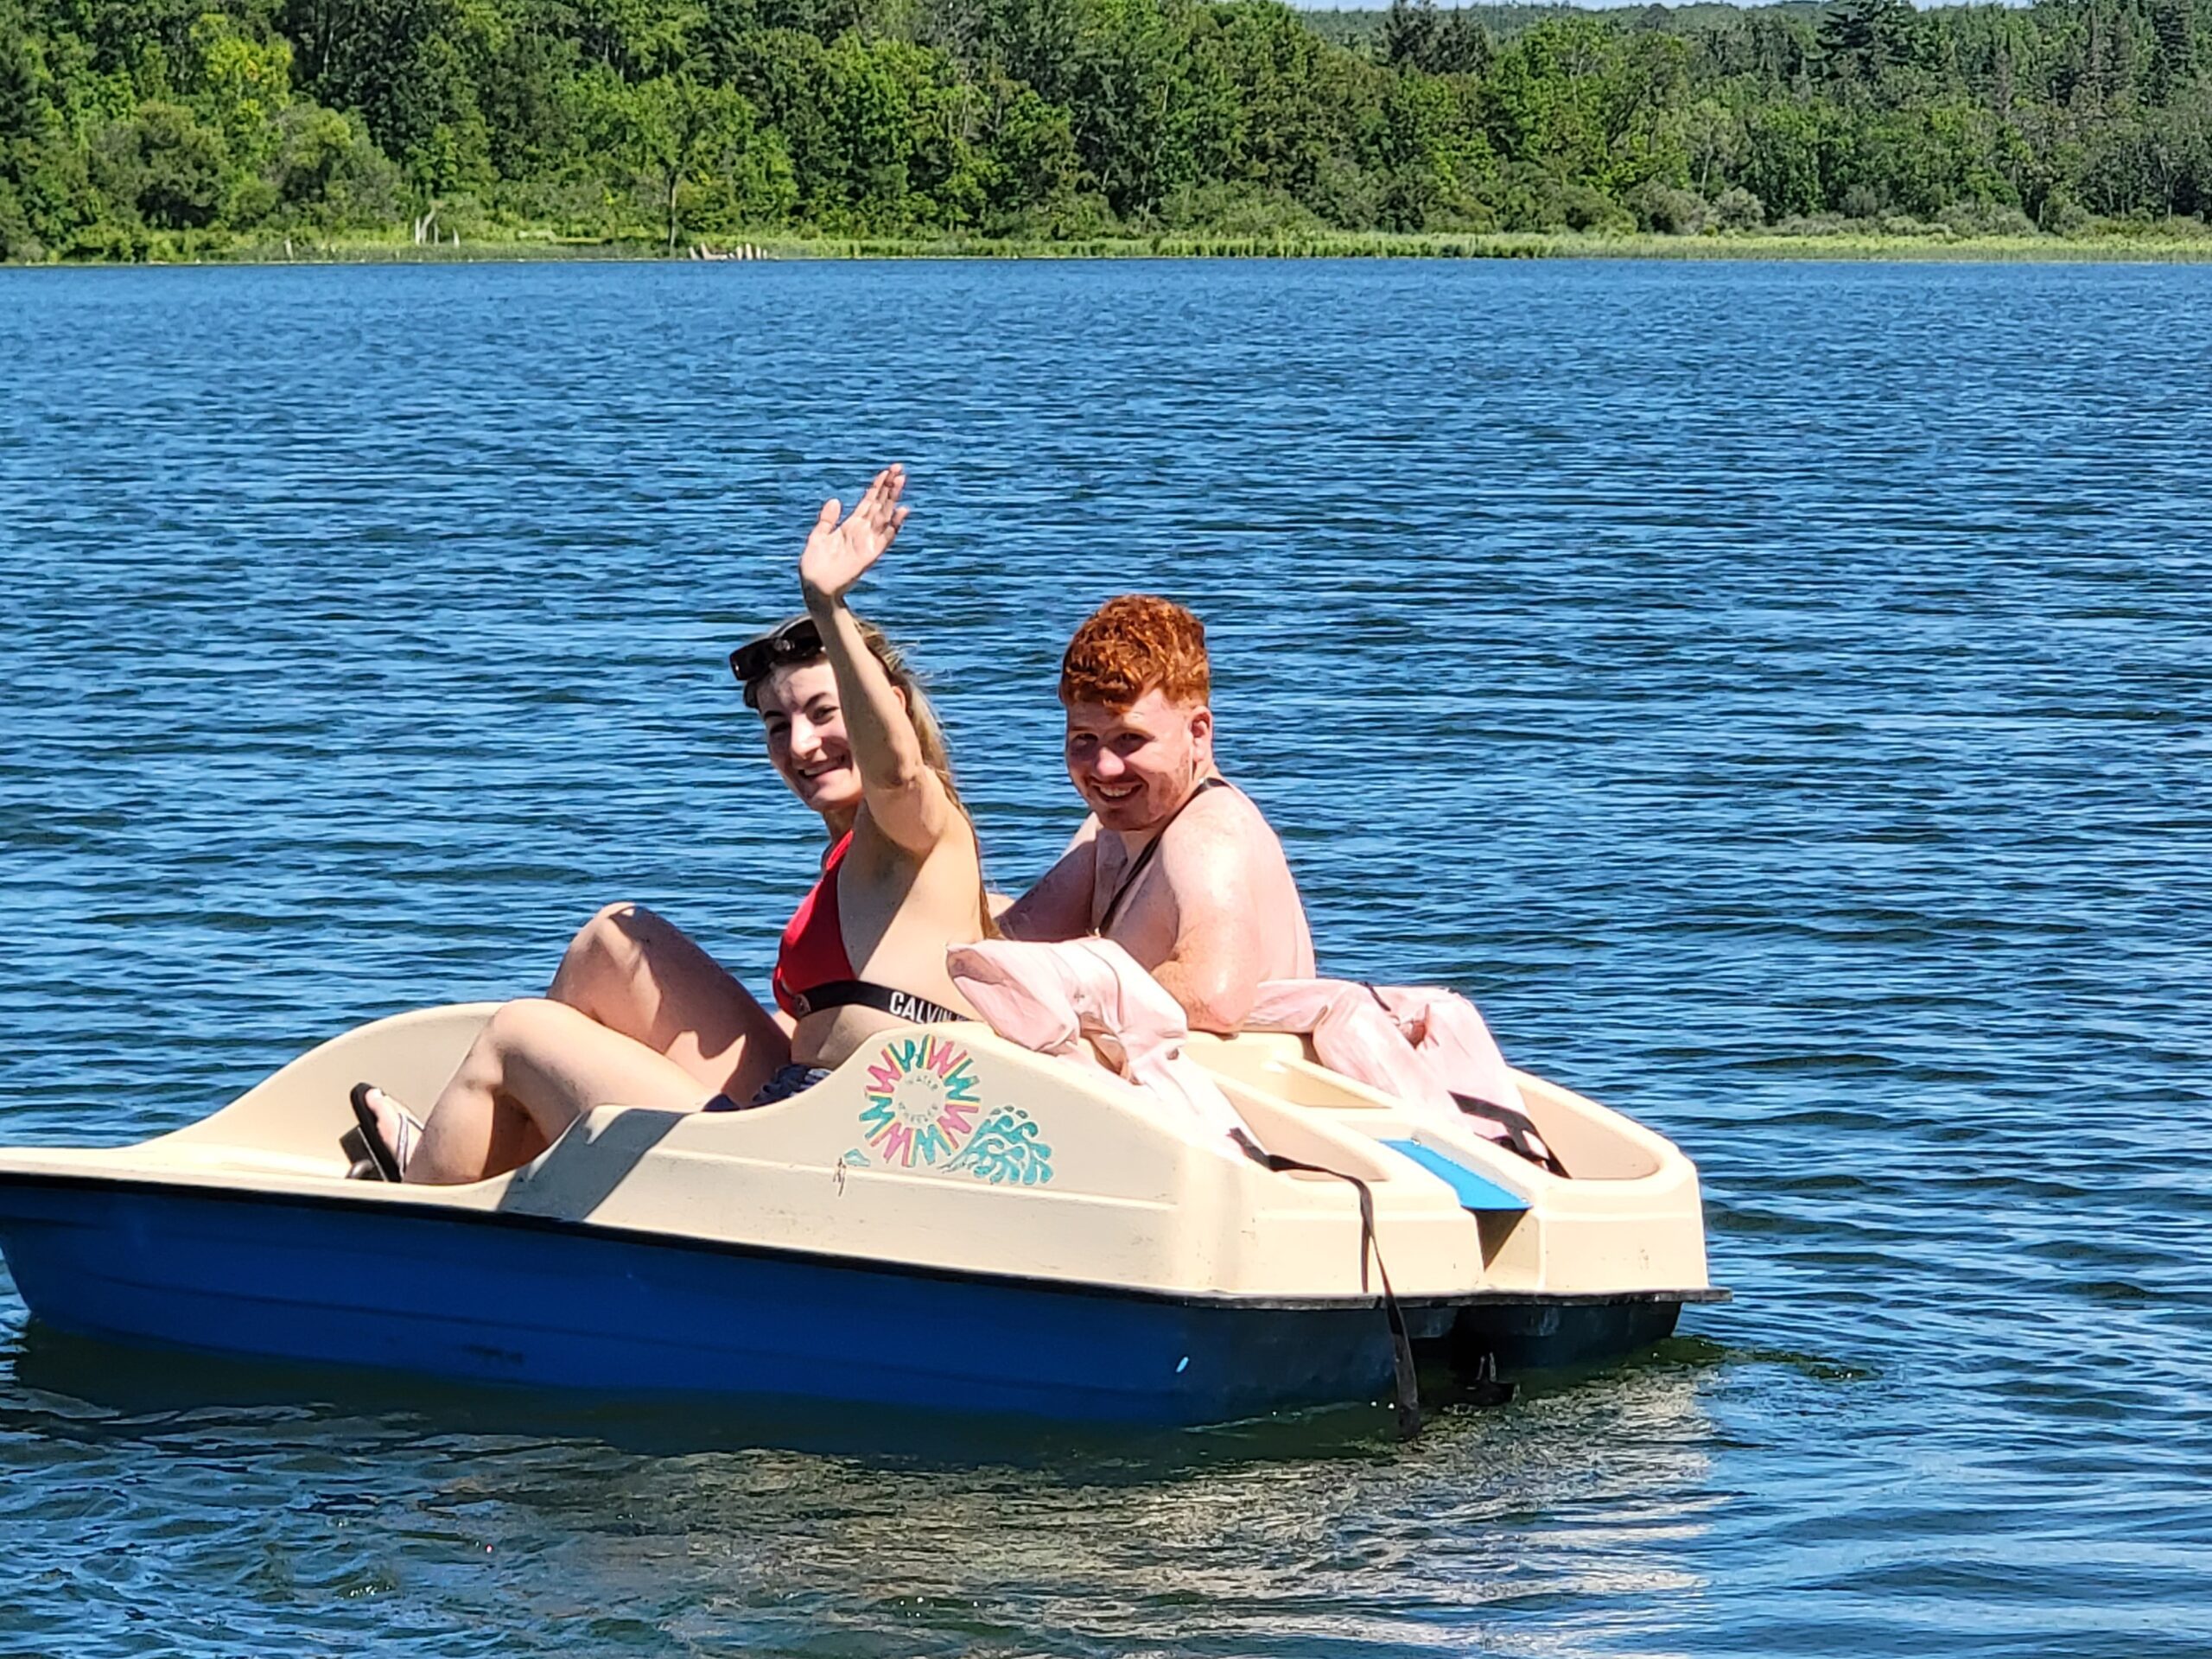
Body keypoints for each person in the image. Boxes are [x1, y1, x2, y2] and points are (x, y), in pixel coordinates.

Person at [350, 466, 989, 1183]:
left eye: (822, 713)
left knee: (515, 1033)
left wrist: (827, 604)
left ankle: (431, 1202)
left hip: (844, 1152)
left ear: (886, 706)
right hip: (800, 1103)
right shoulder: (850, 852)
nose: (800, 746)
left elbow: (897, 771)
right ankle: (524, 1153)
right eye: (777, 725)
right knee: (615, 941)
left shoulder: (920, 823)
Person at [996, 594, 1313, 1033]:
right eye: (1084, 739)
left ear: (1197, 733)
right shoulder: (1111, 832)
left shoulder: (1207, 837)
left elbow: (1215, 996)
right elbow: (1010, 940)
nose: (1105, 767)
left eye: (1130, 739)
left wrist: (1080, 985)